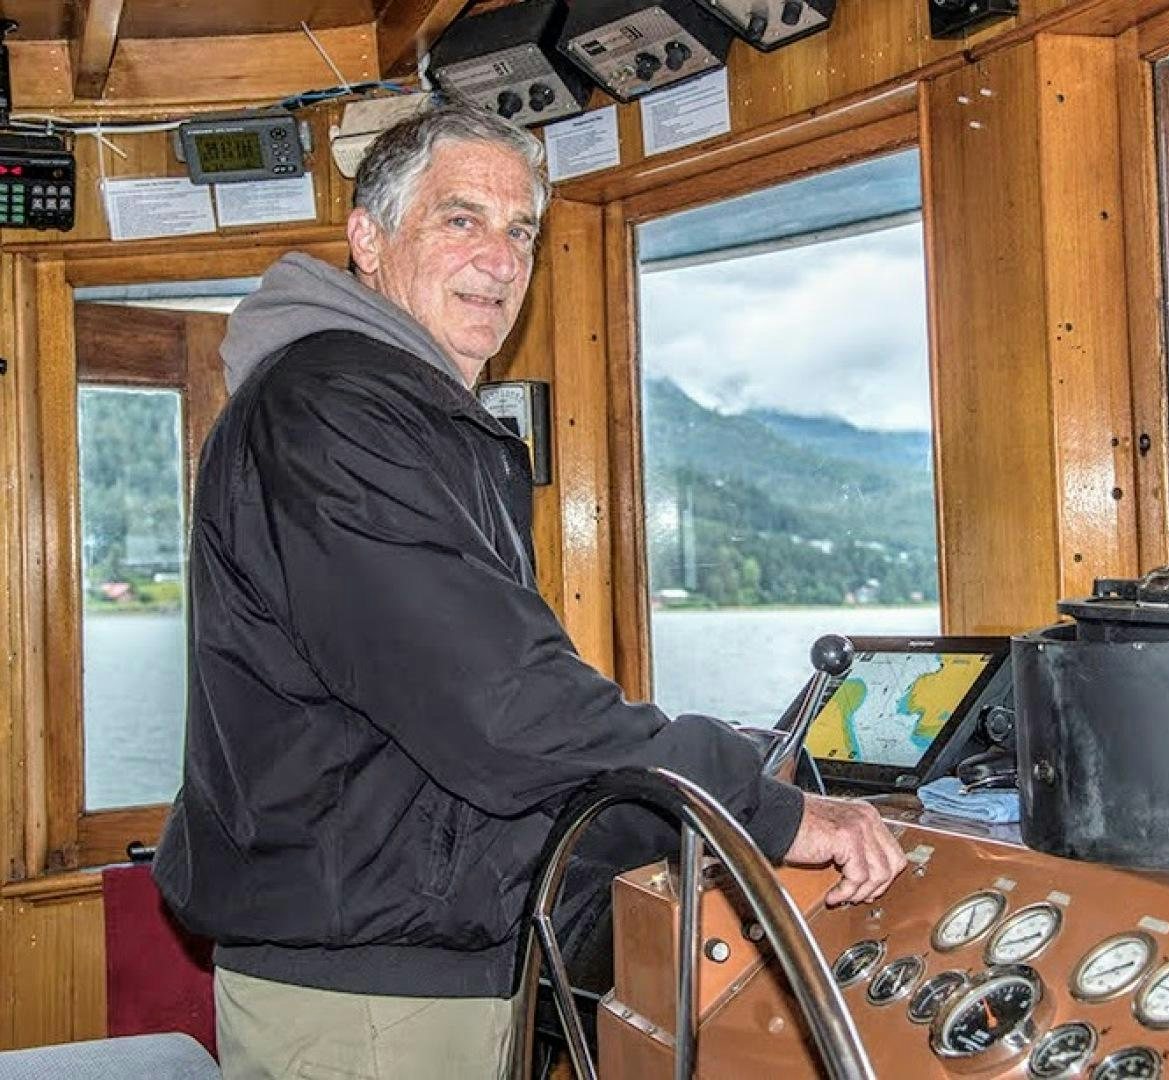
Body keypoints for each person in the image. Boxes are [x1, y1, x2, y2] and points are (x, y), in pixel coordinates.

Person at [152, 101, 906, 1080]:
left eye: (520, 232)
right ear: (368, 240)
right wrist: (764, 807)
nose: (500, 260)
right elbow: (498, 704)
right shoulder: (336, 414)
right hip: (369, 995)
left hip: (401, 958)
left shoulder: (407, 414)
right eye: (459, 219)